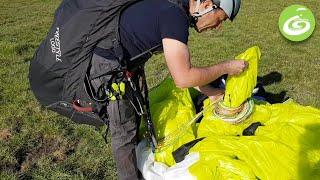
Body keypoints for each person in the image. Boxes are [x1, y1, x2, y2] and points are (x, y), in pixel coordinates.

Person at [89, 0, 247, 179]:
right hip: (107, 68)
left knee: (133, 123)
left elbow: (178, 69)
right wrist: (226, 67)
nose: (218, 27)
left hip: (119, 62)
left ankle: (138, 167)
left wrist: (210, 92)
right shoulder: (175, 17)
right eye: (221, 19)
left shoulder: (175, 7)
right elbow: (183, 77)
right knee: (124, 132)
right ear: (207, 5)